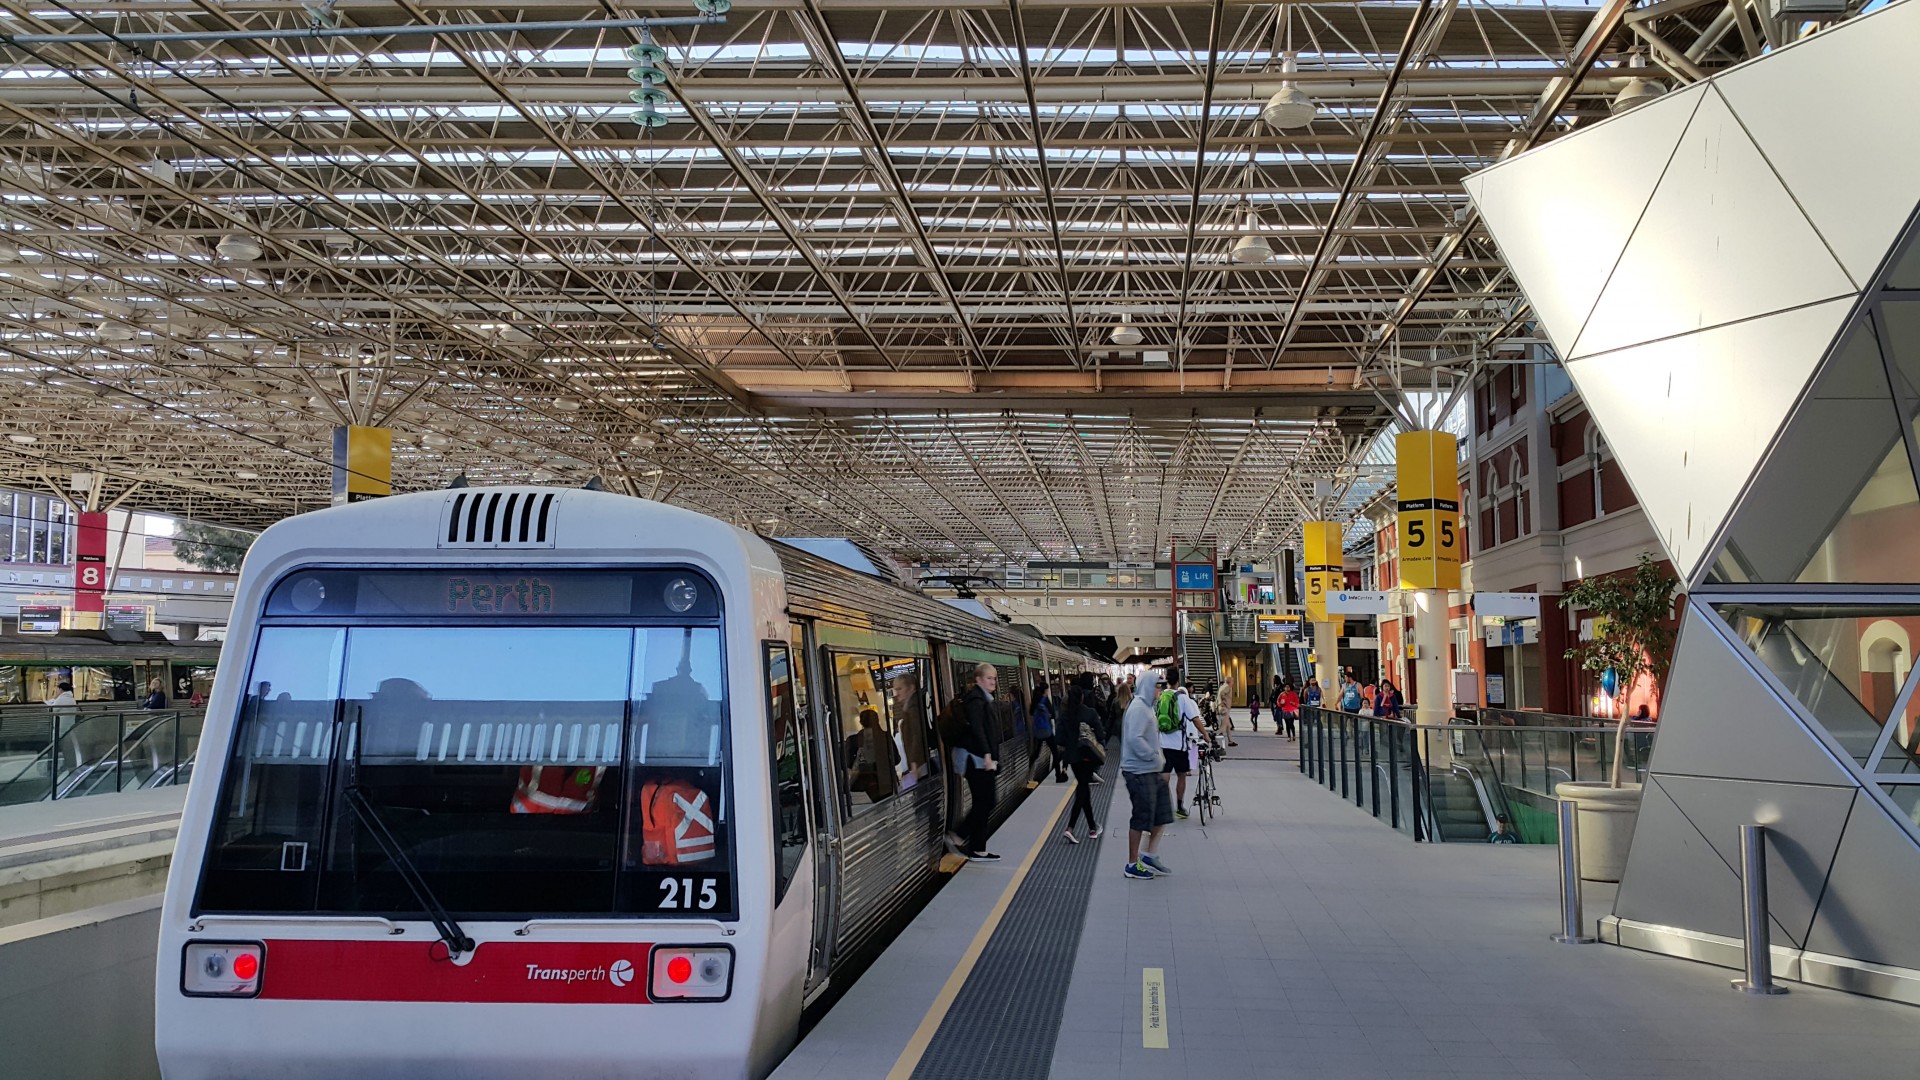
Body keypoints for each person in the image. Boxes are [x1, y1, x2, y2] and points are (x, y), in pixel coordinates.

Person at [1120, 670, 1173, 879]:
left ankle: (1149, 854)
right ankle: (1132, 864)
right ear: (1148, 687)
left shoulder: (1148, 707)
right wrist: (1153, 756)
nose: (1160, 690)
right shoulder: (1139, 709)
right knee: (1141, 816)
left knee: (1162, 811)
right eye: (1157, 686)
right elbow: (1135, 739)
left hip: (1151, 770)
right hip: (1138, 771)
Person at [953, 663, 1001, 861]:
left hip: (980, 758)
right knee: (987, 801)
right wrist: (987, 754)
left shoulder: (981, 698)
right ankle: (959, 835)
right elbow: (978, 729)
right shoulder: (975, 699)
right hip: (977, 760)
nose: (993, 682)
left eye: (994, 678)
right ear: (979, 679)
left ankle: (978, 848)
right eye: (989, 678)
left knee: (985, 801)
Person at [1060, 674, 1101, 844]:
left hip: (1073, 759)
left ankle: (1092, 828)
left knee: (1083, 789)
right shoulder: (1090, 713)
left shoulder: (1064, 716)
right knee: (1082, 791)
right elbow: (1100, 733)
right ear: (1082, 697)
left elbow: (1059, 739)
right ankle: (1070, 828)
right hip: (1088, 756)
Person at [1163, 679, 1202, 819]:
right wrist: (1206, 736)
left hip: (1162, 744)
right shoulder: (1183, 698)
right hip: (1179, 745)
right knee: (1181, 776)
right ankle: (1179, 807)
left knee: (1164, 776)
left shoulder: (1160, 697)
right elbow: (1195, 719)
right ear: (1177, 681)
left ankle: (1165, 806)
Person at [846, 707, 901, 803]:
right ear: (877, 720)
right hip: (886, 784)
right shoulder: (885, 737)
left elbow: (847, 763)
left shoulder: (853, 740)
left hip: (861, 786)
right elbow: (896, 760)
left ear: (860, 722)